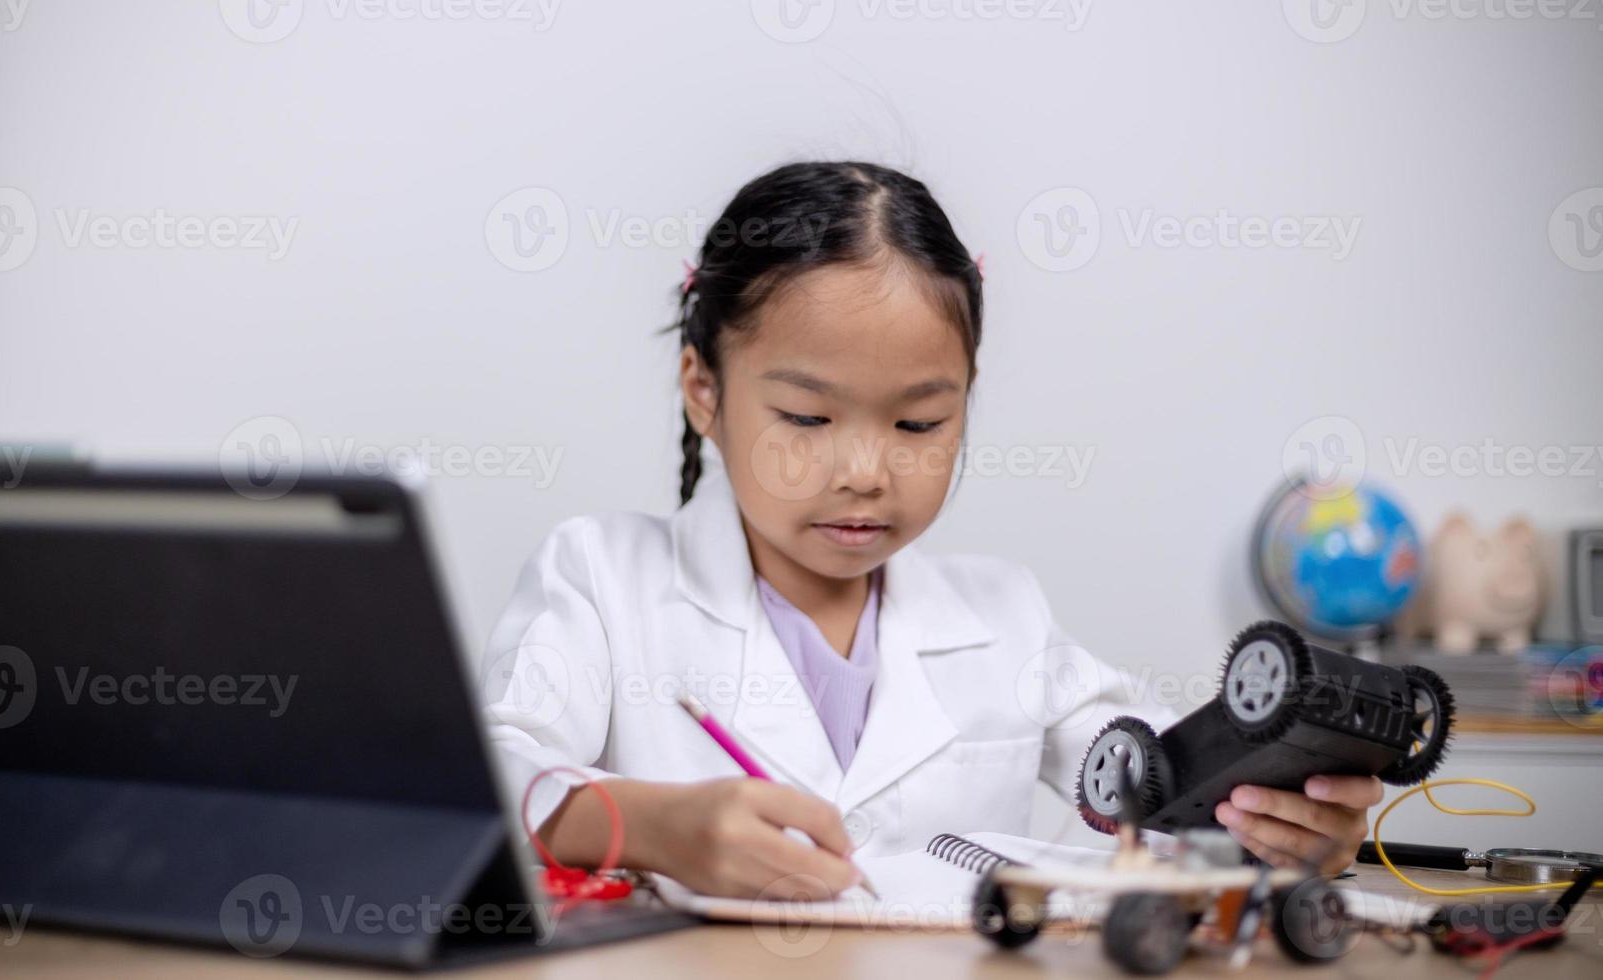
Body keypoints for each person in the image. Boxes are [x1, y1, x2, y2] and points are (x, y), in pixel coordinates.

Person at [480, 161, 1381, 900]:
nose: (866, 470)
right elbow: (488, 769)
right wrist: (651, 826)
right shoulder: (602, 578)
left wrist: (1275, 810)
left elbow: (1155, 761)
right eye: (805, 417)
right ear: (704, 389)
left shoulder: (1004, 614)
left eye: (919, 425)